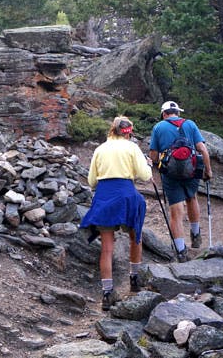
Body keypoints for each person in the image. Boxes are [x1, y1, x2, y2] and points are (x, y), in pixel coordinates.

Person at [80, 116, 152, 311]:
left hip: (105, 197)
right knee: (135, 236)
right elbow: (145, 176)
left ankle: (107, 293)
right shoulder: (132, 148)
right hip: (127, 194)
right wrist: (147, 166)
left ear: (112, 129)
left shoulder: (100, 149)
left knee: (107, 248)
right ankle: (134, 280)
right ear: (129, 131)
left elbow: (91, 181)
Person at [149, 101, 212, 262]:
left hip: (170, 174)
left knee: (176, 211)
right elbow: (202, 149)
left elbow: (154, 156)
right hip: (191, 170)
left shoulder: (159, 127)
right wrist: (208, 170)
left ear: (164, 114)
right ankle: (196, 234)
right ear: (177, 112)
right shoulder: (190, 124)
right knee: (192, 198)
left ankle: (181, 250)